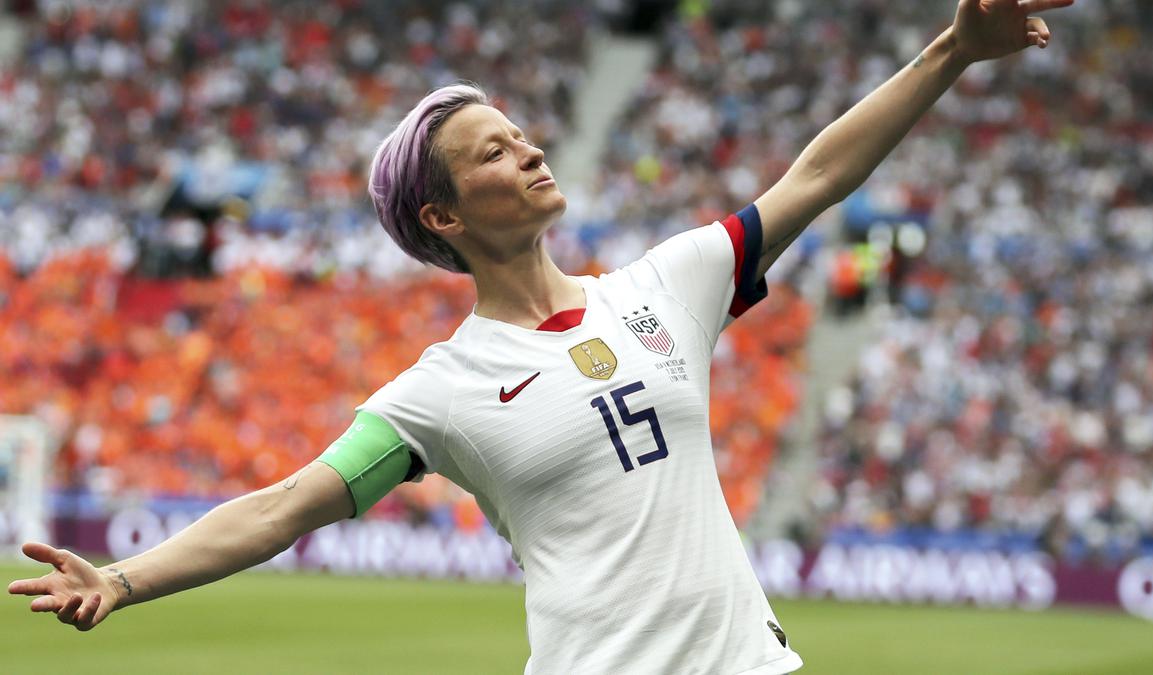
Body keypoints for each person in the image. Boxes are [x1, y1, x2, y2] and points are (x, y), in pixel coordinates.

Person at [8, 1, 1074, 672]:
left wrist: (950, 50)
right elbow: (286, 508)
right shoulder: (439, 392)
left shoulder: (671, 285)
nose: (527, 152)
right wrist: (124, 579)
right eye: (491, 153)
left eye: (521, 135)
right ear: (444, 216)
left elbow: (820, 174)